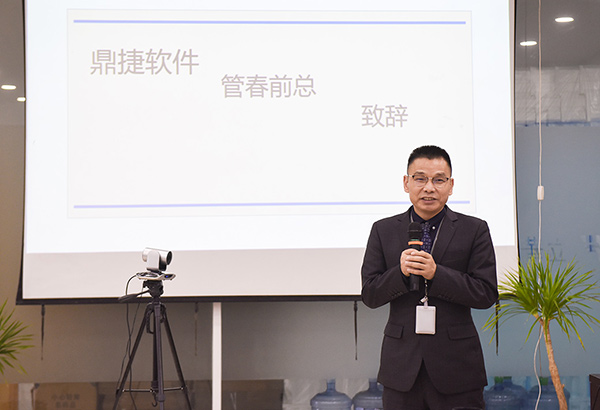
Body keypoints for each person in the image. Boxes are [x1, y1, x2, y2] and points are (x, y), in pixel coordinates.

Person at [361, 145, 498, 410]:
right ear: (406, 183)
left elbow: (486, 293)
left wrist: (437, 275)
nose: (429, 188)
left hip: (457, 367)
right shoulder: (383, 230)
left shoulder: (474, 229)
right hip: (401, 369)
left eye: (438, 180)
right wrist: (400, 273)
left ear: (451, 185)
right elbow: (370, 294)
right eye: (420, 179)